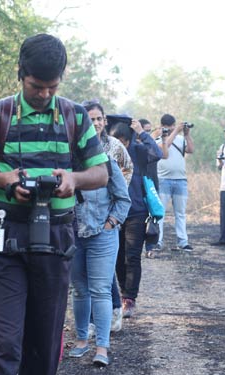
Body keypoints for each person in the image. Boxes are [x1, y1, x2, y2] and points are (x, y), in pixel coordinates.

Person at [0, 33, 108, 375]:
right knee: (5, 343)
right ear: (20, 74)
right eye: (36, 87)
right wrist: (4, 179)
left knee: (45, 343)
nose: (44, 94)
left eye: (51, 87)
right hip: (7, 237)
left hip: (56, 239)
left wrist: (73, 178)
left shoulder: (75, 115)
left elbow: (100, 174)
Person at [69, 151, 131, 367]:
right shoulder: (65, 159)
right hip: (72, 235)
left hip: (102, 235)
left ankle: (102, 348)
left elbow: (123, 198)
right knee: (79, 289)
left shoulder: (106, 163)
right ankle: (81, 340)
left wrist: (111, 223)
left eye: (97, 119)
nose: (94, 124)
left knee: (101, 289)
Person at [81, 100, 134, 335]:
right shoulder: (76, 145)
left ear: (105, 121)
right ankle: (91, 322)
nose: (95, 123)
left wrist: (115, 203)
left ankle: (111, 314)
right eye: (90, 119)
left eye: (99, 119)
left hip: (108, 217)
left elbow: (127, 167)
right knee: (84, 280)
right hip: (82, 219)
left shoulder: (112, 145)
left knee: (104, 272)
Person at [111, 119, 162, 317]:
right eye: (117, 141)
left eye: (123, 141)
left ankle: (129, 299)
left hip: (136, 211)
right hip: (114, 212)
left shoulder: (139, 150)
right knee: (117, 256)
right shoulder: (106, 153)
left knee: (132, 257)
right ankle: (123, 292)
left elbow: (157, 153)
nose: (120, 145)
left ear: (129, 139)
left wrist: (142, 132)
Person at [155, 113, 194, 252]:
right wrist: (175, 132)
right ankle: (157, 241)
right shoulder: (157, 139)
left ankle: (183, 242)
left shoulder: (180, 138)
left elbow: (191, 149)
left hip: (180, 180)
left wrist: (186, 134)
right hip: (163, 180)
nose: (171, 128)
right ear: (162, 126)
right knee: (160, 213)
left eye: (173, 126)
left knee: (180, 213)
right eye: (168, 127)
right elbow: (165, 147)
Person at [139, 118, 160, 259]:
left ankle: (151, 246)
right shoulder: (135, 147)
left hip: (151, 184)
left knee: (153, 216)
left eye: (149, 131)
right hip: (138, 185)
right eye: (145, 131)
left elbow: (158, 153)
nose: (148, 134)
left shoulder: (151, 146)